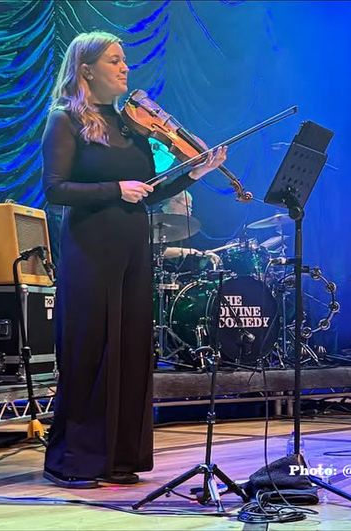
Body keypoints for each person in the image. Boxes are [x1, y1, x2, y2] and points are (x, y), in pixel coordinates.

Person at [41, 31, 227, 488]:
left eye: (125, 61)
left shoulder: (130, 125)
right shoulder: (65, 121)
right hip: (90, 251)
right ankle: (73, 461)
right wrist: (113, 190)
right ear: (86, 69)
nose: (126, 68)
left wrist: (193, 173)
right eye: (115, 61)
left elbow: (148, 193)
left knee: (129, 352)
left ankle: (120, 457)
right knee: (90, 352)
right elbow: (55, 189)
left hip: (131, 249)